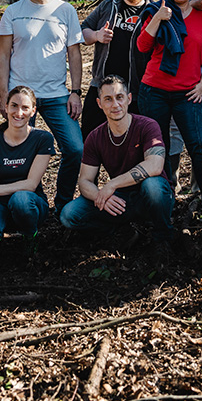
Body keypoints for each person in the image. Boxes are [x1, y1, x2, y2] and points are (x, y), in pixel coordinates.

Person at [0, 0, 85, 212]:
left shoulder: (65, 10)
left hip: (57, 94)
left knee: (75, 149)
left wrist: (76, 91)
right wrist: (5, 95)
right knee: (19, 154)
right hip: (21, 96)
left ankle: (63, 203)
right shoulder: (13, 12)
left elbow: (75, 53)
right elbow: (3, 55)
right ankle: (35, 201)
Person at [59, 76, 175, 262]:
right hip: (120, 200)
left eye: (119, 97)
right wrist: (100, 195)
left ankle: (163, 238)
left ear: (129, 99)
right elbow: (85, 181)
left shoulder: (147, 125)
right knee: (69, 215)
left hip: (152, 198)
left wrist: (112, 184)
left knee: (152, 185)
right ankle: (121, 230)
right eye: (108, 99)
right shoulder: (95, 137)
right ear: (99, 103)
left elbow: (155, 165)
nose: (115, 104)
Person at [135, 0, 202, 195]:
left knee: (198, 146)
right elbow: (143, 46)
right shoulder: (156, 10)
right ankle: (163, 194)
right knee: (159, 147)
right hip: (154, 90)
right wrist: (158, 18)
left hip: (188, 92)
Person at [0, 86, 53, 248]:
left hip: (31, 203)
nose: (19, 112)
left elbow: (31, 184)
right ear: (6, 107)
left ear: (33, 111)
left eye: (25, 108)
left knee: (20, 199)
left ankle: (30, 236)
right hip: (1, 202)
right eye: (14, 106)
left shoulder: (42, 138)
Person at [80, 0, 149, 138]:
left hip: (136, 89)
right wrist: (97, 35)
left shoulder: (153, 11)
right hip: (101, 84)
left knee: (133, 140)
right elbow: (82, 33)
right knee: (89, 136)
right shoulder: (108, 5)